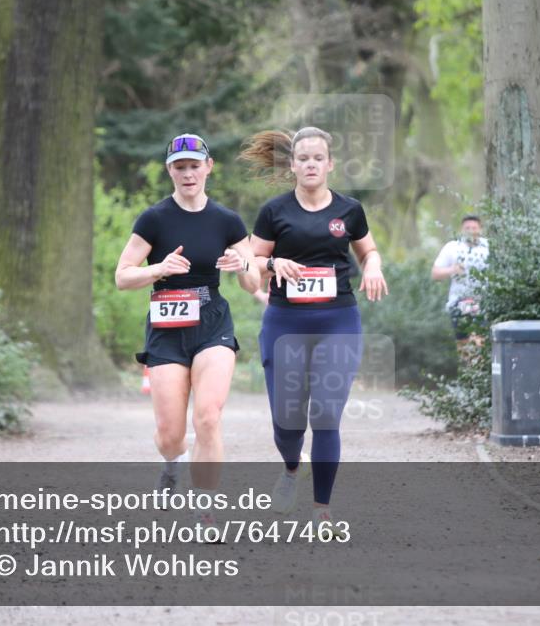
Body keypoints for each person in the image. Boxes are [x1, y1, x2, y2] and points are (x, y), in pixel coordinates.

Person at [240, 126, 388, 534]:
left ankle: (321, 509)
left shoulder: (349, 210)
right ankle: (291, 469)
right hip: (285, 322)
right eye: (302, 158)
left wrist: (372, 266)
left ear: (329, 164)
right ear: (292, 165)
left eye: (317, 158)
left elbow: (367, 249)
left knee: (325, 414)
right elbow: (251, 263)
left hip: (337, 321)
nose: (310, 164)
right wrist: (273, 265)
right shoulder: (274, 211)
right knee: (287, 422)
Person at [115, 133, 260, 529]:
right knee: (170, 433)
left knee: (208, 417)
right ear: (170, 171)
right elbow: (122, 277)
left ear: (208, 168)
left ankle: (207, 510)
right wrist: (158, 269)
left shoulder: (227, 221)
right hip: (167, 328)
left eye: (195, 165)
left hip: (212, 322)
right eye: (180, 167)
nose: (188, 173)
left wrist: (242, 264)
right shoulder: (154, 219)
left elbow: (253, 283)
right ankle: (172, 462)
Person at [431, 214, 489, 351]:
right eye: (467, 228)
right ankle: (467, 369)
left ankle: (478, 369)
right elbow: (435, 274)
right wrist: (452, 269)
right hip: (458, 302)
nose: (471, 231)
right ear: (462, 229)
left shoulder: (488, 247)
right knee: (463, 345)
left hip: (483, 302)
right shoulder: (452, 247)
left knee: (479, 341)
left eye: (474, 228)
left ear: (480, 229)